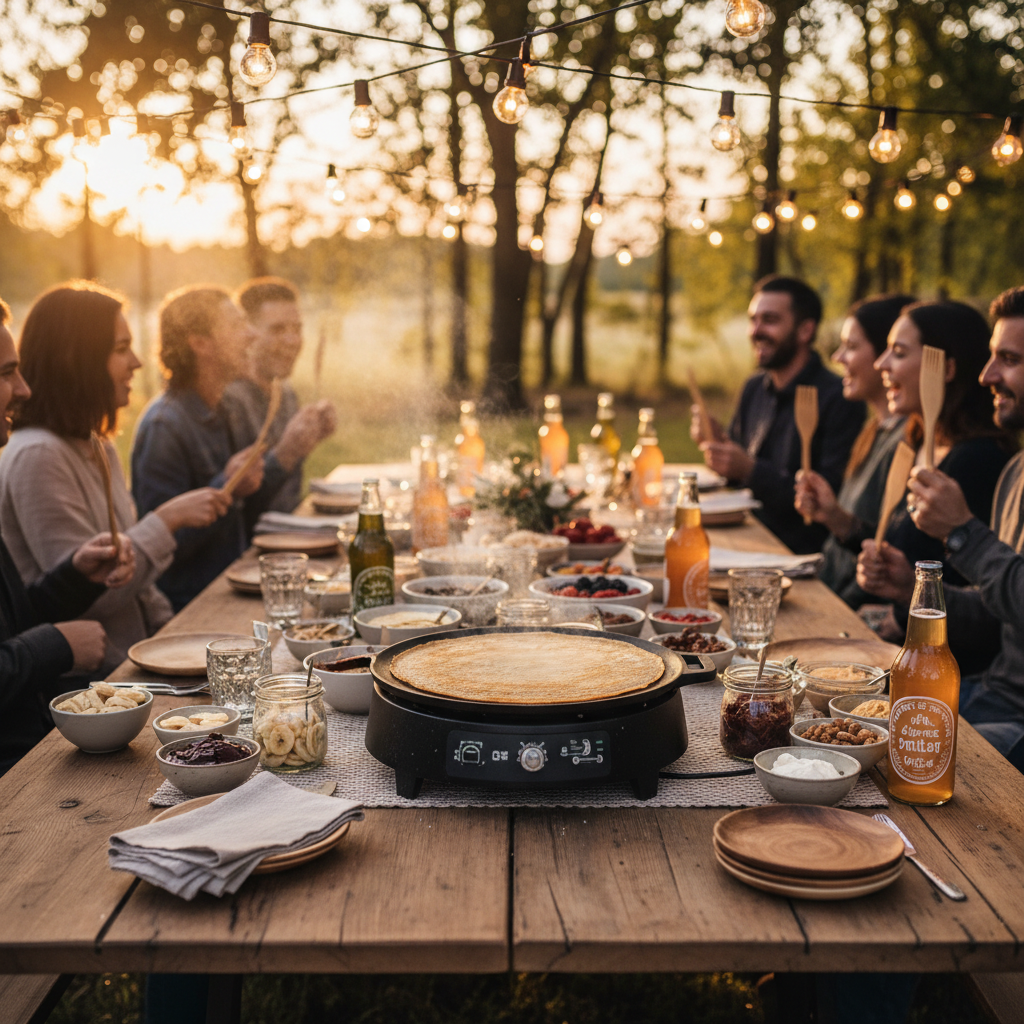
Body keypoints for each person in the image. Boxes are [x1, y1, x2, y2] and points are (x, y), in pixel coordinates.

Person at [0, 282, 232, 671]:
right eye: (121, 348)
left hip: (139, 665)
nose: (137, 362)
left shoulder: (97, 444)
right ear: (77, 359)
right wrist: (167, 520)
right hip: (97, 685)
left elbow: (136, 590)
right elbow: (98, 599)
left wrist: (179, 637)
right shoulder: (38, 454)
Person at [877, 287, 1024, 769]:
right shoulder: (1016, 471)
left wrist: (962, 533)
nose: (988, 375)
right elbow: (1001, 616)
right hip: (992, 693)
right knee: (844, 723)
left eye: (1010, 360)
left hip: (1014, 718)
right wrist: (911, 590)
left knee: (894, 760)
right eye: (991, 357)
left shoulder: (987, 460)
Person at [0, 296, 133, 775]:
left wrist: (75, 577)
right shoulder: (37, 454)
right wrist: (55, 646)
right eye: (6, 373)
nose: (23, 389)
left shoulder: (98, 446)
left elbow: (14, 621)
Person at [855, 300, 1016, 672]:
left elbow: (992, 613)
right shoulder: (915, 443)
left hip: (947, 668)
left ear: (947, 369)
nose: (881, 364)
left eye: (898, 352)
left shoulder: (979, 461)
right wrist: (902, 587)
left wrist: (902, 611)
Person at [692, 275, 865, 554]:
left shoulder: (839, 399)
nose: (755, 331)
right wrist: (718, 445)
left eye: (769, 320)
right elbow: (736, 478)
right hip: (748, 540)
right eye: (753, 320)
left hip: (800, 552)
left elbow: (829, 498)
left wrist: (750, 470)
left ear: (805, 330)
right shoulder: (754, 388)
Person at [131, 286, 279, 611]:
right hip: (191, 610)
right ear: (200, 344)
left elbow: (254, 510)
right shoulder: (164, 427)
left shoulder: (230, 409)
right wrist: (226, 487)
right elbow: (160, 547)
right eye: (237, 325)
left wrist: (279, 461)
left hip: (234, 591)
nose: (252, 335)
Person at [793, 294, 914, 606]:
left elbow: (890, 556)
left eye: (851, 346)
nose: (838, 357)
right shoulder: (872, 430)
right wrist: (832, 515)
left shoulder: (909, 444)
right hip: (827, 591)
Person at [223, 277, 336, 515]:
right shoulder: (227, 401)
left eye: (297, 329)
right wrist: (287, 453)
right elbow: (237, 508)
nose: (292, 341)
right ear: (247, 333)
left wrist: (308, 440)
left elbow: (287, 494)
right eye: (277, 330)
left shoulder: (285, 392)